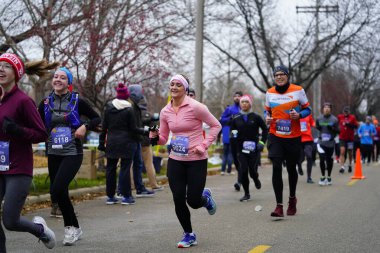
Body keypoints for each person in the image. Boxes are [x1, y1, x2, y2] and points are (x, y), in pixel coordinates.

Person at [149, 74, 221, 248]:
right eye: (172, 84)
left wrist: (203, 145)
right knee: (178, 198)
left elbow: (216, 125)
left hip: (196, 159)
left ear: (185, 89)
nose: (174, 87)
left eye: (178, 85)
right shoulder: (165, 111)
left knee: (193, 201)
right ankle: (189, 234)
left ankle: (205, 198)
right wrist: (154, 137)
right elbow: (164, 137)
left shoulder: (196, 107)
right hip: (176, 159)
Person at [38, 66, 101, 246]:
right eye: (56, 77)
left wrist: (85, 126)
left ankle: (69, 229)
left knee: (57, 189)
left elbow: (97, 118)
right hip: (53, 151)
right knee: (58, 192)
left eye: (63, 78)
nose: (58, 80)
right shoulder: (45, 103)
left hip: (72, 152)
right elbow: (34, 121)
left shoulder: (77, 101)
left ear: (69, 83)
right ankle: (76, 227)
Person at [0, 53, 57, 251]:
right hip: (0, 165)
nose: (1, 69)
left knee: (10, 220)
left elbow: (42, 133)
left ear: (16, 74)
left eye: (6, 66)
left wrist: (17, 130)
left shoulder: (23, 101)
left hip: (18, 168)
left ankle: (39, 229)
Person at [265, 65, 311, 218]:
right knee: (276, 166)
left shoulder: (298, 90)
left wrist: (299, 114)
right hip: (275, 135)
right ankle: (279, 206)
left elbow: (308, 109)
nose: (279, 77)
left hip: (293, 137)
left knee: (292, 168)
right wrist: (267, 117)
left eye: (282, 74)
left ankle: (292, 199)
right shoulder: (269, 92)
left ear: (287, 76)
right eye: (276, 75)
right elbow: (267, 110)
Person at [98, 83, 151, 207]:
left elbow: (104, 128)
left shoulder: (109, 108)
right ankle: (126, 196)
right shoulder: (129, 109)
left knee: (110, 169)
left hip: (111, 142)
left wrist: (101, 143)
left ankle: (110, 197)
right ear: (126, 96)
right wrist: (145, 131)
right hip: (127, 143)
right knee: (125, 169)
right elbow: (133, 128)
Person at [230, 95, 268, 202]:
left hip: (254, 149)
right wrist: (234, 139)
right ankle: (246, 193)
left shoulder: (256, 117)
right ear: (240, 104)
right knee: (243, 170)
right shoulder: (236, 118)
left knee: (252, 171)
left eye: (246, 102)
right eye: (242, 102)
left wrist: (261, 142)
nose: (244, 104)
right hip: (241, 149)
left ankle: (255, 178)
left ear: (250, 104)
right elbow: (233, 132)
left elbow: (265, 130)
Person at [127, 84, 155, 197]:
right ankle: (130, 187)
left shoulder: (134, 105)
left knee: (135, 164)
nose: (141, 94)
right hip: (134, 139)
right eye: (140, 91)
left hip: (138, 139)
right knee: (132, 164)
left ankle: (136, 186)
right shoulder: (131, 106)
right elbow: (133, 126)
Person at [139, 95, 164, 191]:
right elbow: (154, 129)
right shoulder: (150, 115)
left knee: (132, 165)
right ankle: (154, 184)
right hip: (146, 143)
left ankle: (132, 185)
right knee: (149, 164)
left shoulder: (133, 114)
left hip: (135, 141)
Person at [220, 91, 243, 191]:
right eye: (235, 96)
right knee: (231, 154)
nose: (237, 98)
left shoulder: (245, 108)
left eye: (239, 96)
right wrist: (231, 118)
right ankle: (228, 171)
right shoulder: (229, 109)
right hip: (231, 135)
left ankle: (240, 179)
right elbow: (222, 120)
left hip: (243, 137)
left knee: (241, 158)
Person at [316, 103, 340, 186]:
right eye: (325, 107)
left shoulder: (334, 119)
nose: (326, 109)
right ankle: (323, 177)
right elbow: (317, 127)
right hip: (321, 142)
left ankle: (329, 177)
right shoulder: (319, 118)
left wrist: (333, 128)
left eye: (328, 107)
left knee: (329, 160)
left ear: (330, 109)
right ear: (323, 109)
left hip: (330, 143)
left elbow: (338, 131)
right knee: (322, 159)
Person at [337, 106, 358, 173]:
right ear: (343, 112)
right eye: (344, 111)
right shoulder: (340, 117)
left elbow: (356, 126)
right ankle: (342, 167)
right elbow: (336, 124)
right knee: (342, 151)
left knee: (350, 152)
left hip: (350, 138)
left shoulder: (352, 117)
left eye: (347, 112)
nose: (345, 113)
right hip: (342, 137)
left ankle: (350, 165)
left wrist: (349, 124)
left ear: (349, 112)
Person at [297, 114, 316, 183]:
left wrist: (316, 125)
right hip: (298, 139)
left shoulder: (308, 115)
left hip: (308, 139)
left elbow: (313, 123)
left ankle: (309, 177)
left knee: (309, 156)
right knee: (301, 158)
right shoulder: (295, 114)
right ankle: (299, 165)